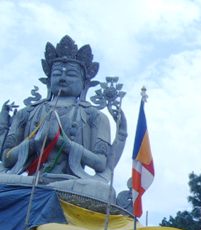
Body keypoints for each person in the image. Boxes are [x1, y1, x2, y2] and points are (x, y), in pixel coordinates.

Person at [0, 36, 120, 201]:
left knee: (103, 191)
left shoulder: (95, 116)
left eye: (71, 74)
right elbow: (6, 159)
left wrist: (62, 142)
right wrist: (35, 141)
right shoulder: (26, 113)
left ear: (84, 83)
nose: (63, 78)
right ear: (48, 80)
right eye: (57, 74)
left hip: (70, 182)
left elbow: (100, 163)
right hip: (29, 179)